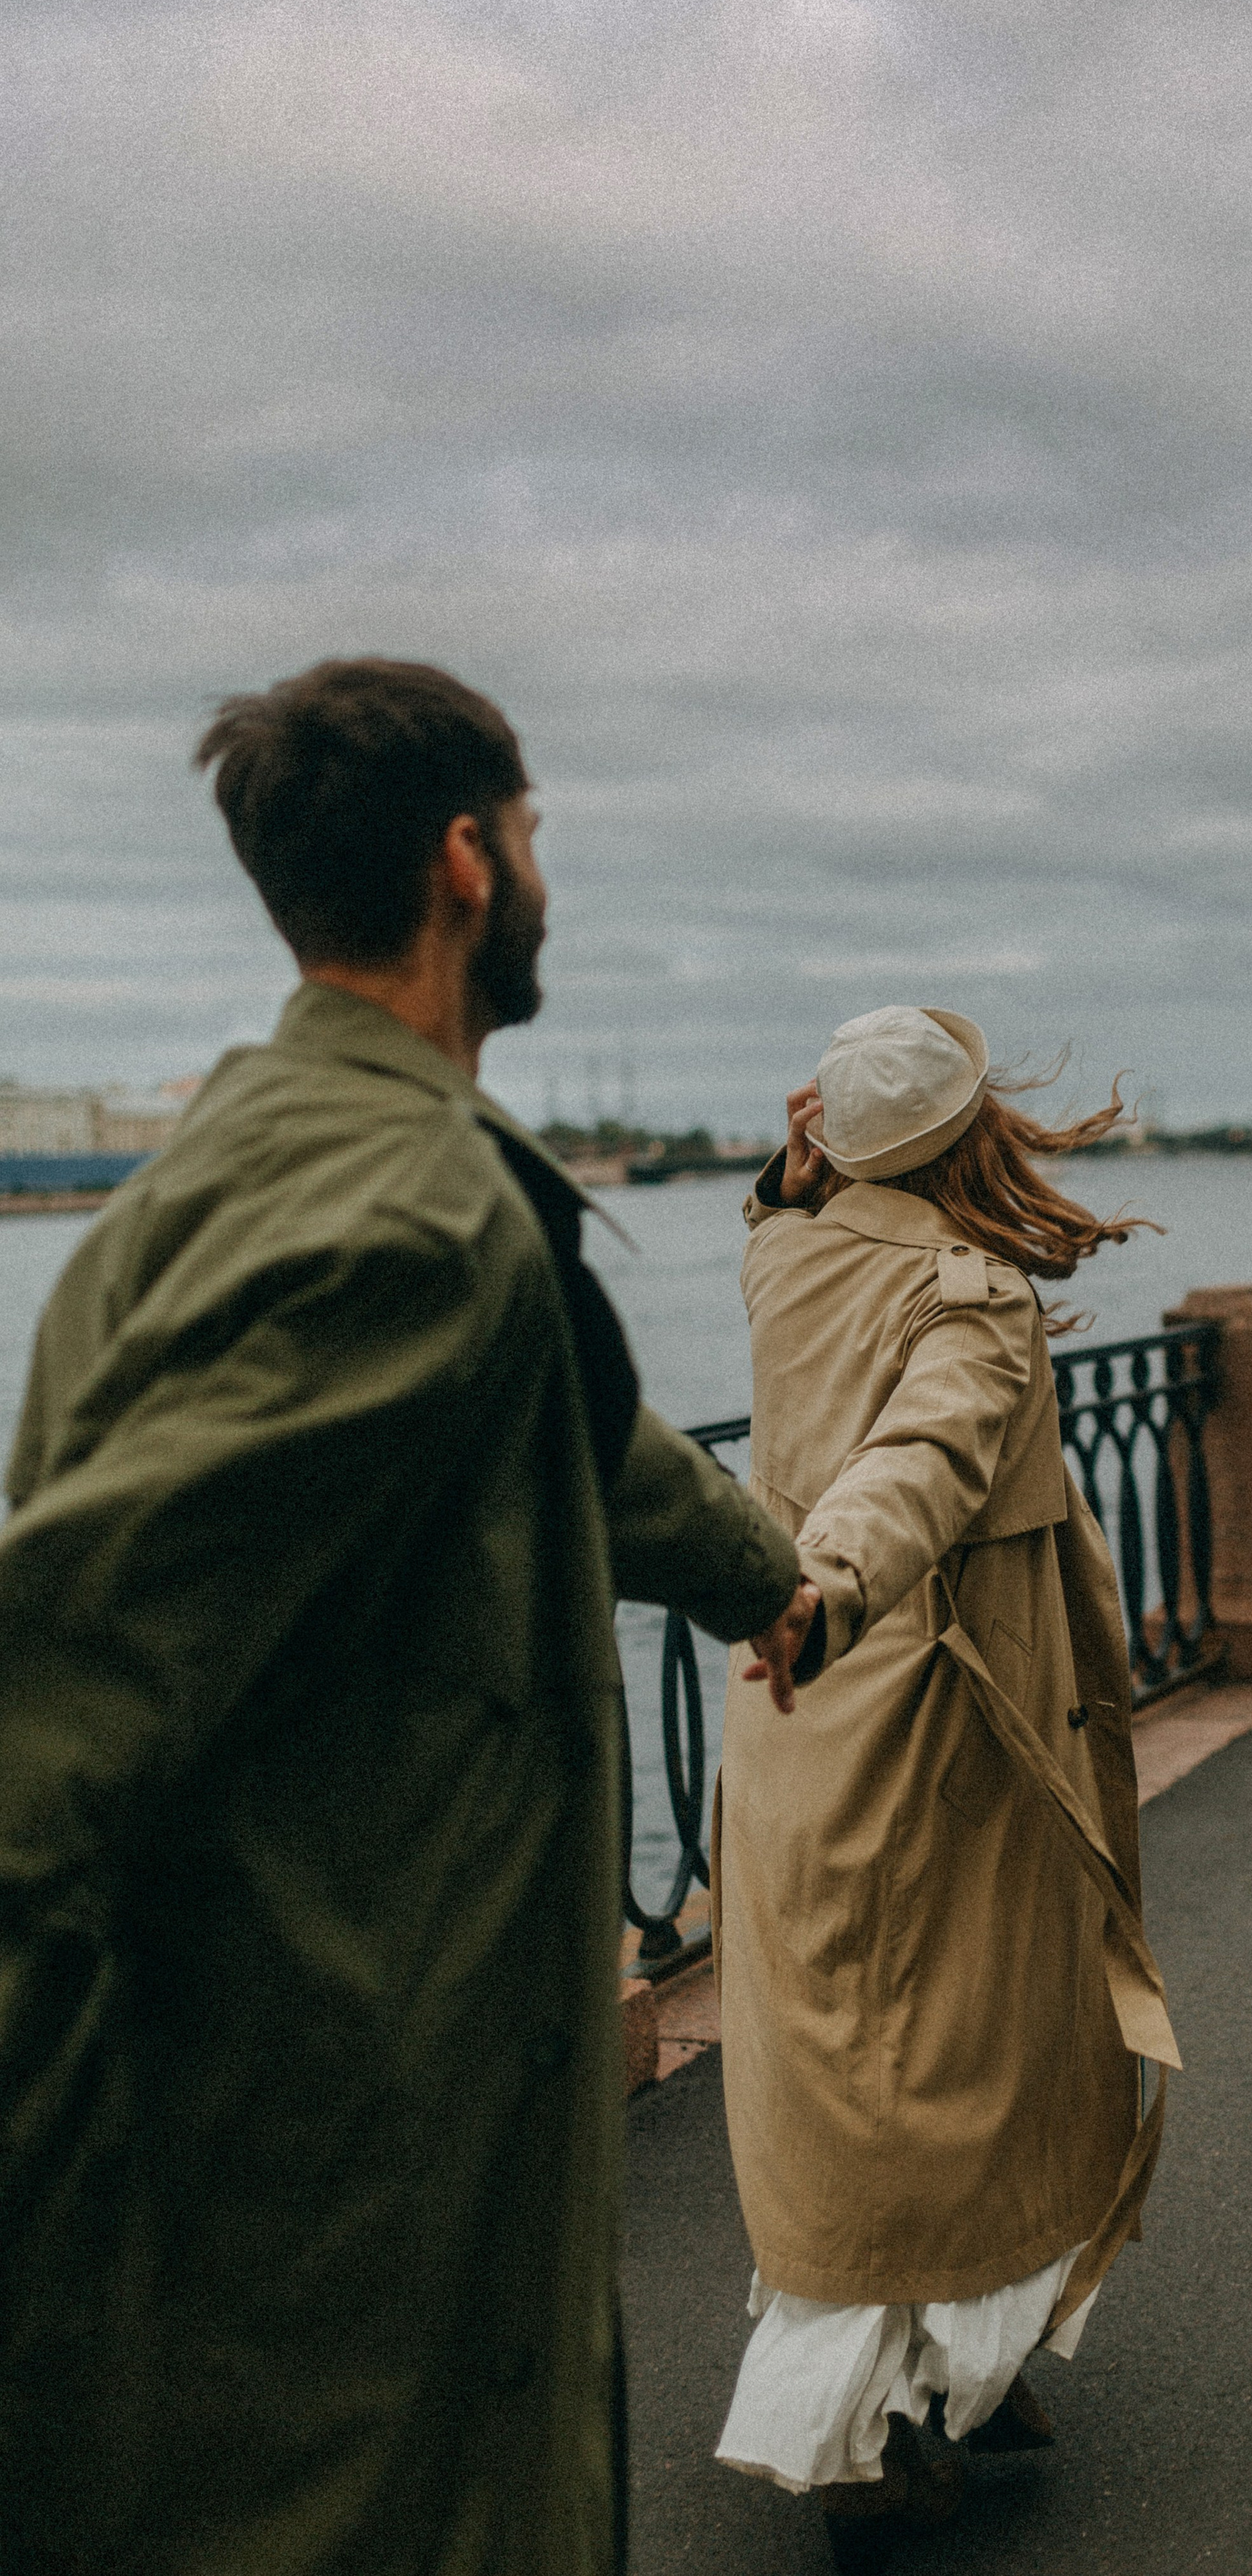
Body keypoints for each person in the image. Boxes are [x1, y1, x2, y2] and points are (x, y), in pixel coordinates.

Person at [0, 658, 820, 2576]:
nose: (542, 875)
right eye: (532, 837)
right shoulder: (419, 1227)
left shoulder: (202, 1177)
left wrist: (763, 1575)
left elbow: (581, 1440)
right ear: (465, 861)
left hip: (279, 2108)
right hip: (347, 2155)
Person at [711, 1004, 1182, 2567]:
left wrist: (799, 1174)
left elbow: (791, 1253)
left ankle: (947, 2386)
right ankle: (871, 2434)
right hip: (942, 1727)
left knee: (860, 2075)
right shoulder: (967, 1297)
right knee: (962, 2071)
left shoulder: (787, 1256)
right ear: (982, 1137)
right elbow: (918, 1460)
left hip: (803, 1722)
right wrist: (827, 1581)